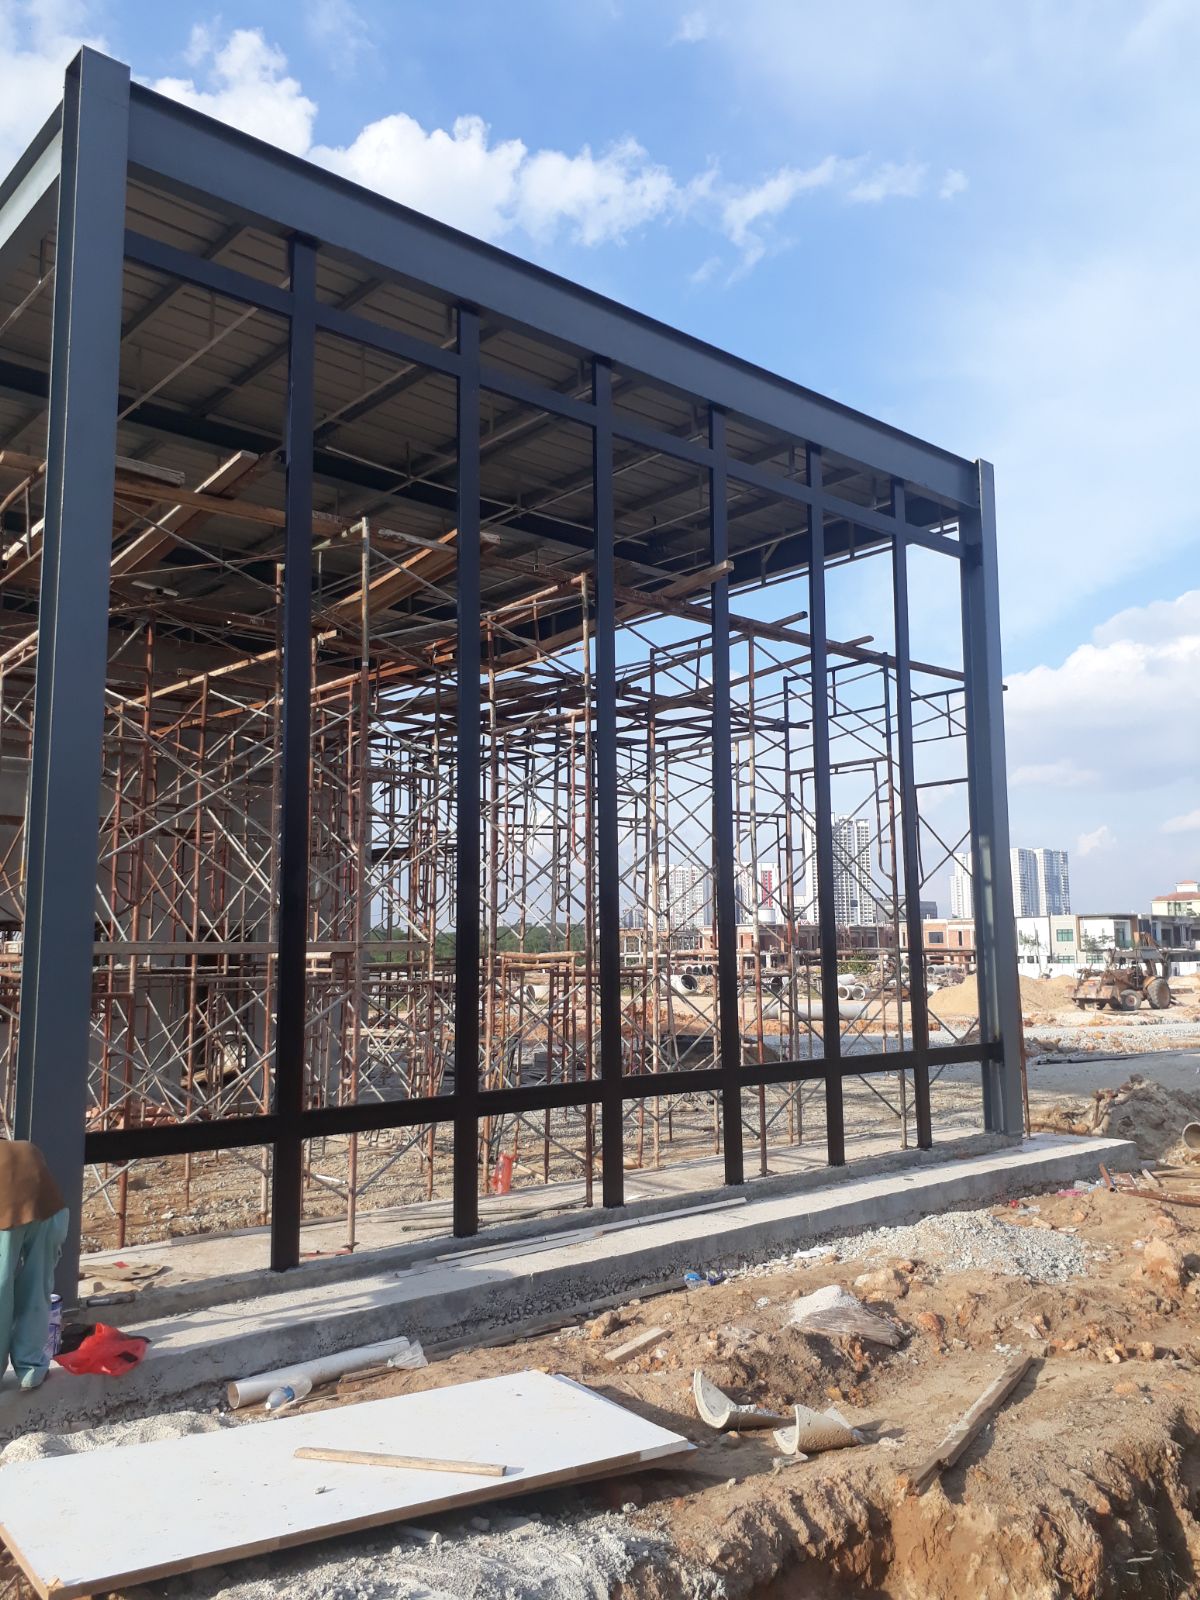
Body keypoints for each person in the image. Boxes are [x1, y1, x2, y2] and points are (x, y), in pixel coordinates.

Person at [0, 1140, 69, 1389]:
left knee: (1, 1291)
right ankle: (31, 1368)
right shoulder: (25, 1147)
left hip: (6, 1217)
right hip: (51, 1212)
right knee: (37, 1288)